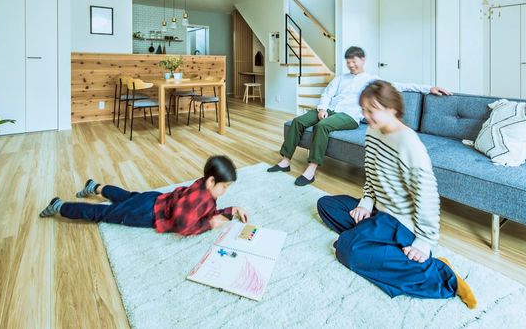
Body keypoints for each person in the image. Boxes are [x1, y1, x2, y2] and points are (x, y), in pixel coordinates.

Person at [317, 80, 476, 308]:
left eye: (372, 110)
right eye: (364, 110)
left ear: (391, 110)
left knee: (346, 249)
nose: (366, 116)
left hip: (401, 221)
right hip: (378, 211)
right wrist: (365, 203)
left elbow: (427, 196)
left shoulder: (409, 144)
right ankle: (373, 240)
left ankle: (440, 273)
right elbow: (371, 173)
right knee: (326, 205)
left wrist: (424, 242)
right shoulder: (373, 130)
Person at [268, 46, 451, 186]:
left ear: (363, 60)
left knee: (322, 126)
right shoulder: (340, 78)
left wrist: (429, 88)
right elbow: (327, 93)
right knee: (298, 121)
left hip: (348, 116)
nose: (351, 65)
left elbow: (399, 85)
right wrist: (322, 108)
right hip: (329, 109)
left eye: (354, 62)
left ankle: (311, 169)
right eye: (348, 62)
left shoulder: (371, 80)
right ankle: (285, 161)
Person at [39, 155, 249, 236]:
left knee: (127, 196)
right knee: (104, 213)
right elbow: (183, 225)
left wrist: (231, 211)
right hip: (148, 213)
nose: (225, 191)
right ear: (211, 181)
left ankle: (96, 187)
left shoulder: (203, 186)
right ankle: (60, 206)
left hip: (155, 198)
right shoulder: (200, 197)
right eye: (224, 186)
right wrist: (211, 223)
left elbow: (205, 210)